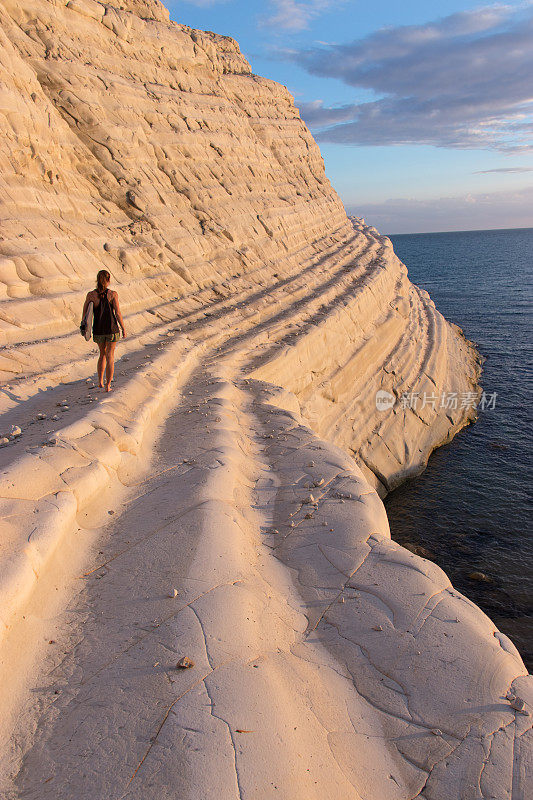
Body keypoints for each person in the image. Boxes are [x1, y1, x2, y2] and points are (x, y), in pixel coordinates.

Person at [82, 270, 126, 391]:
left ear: (97, 280)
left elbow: (85, 313)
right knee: (110, 356)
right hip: (112, 329)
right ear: (108, 280)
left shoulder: (90, 295)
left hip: (98, 330)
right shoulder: (113, 294)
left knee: (102, 354)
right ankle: (108, 385)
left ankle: (100, 382)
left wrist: (85, 327)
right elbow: (117, 313)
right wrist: (123, 328)